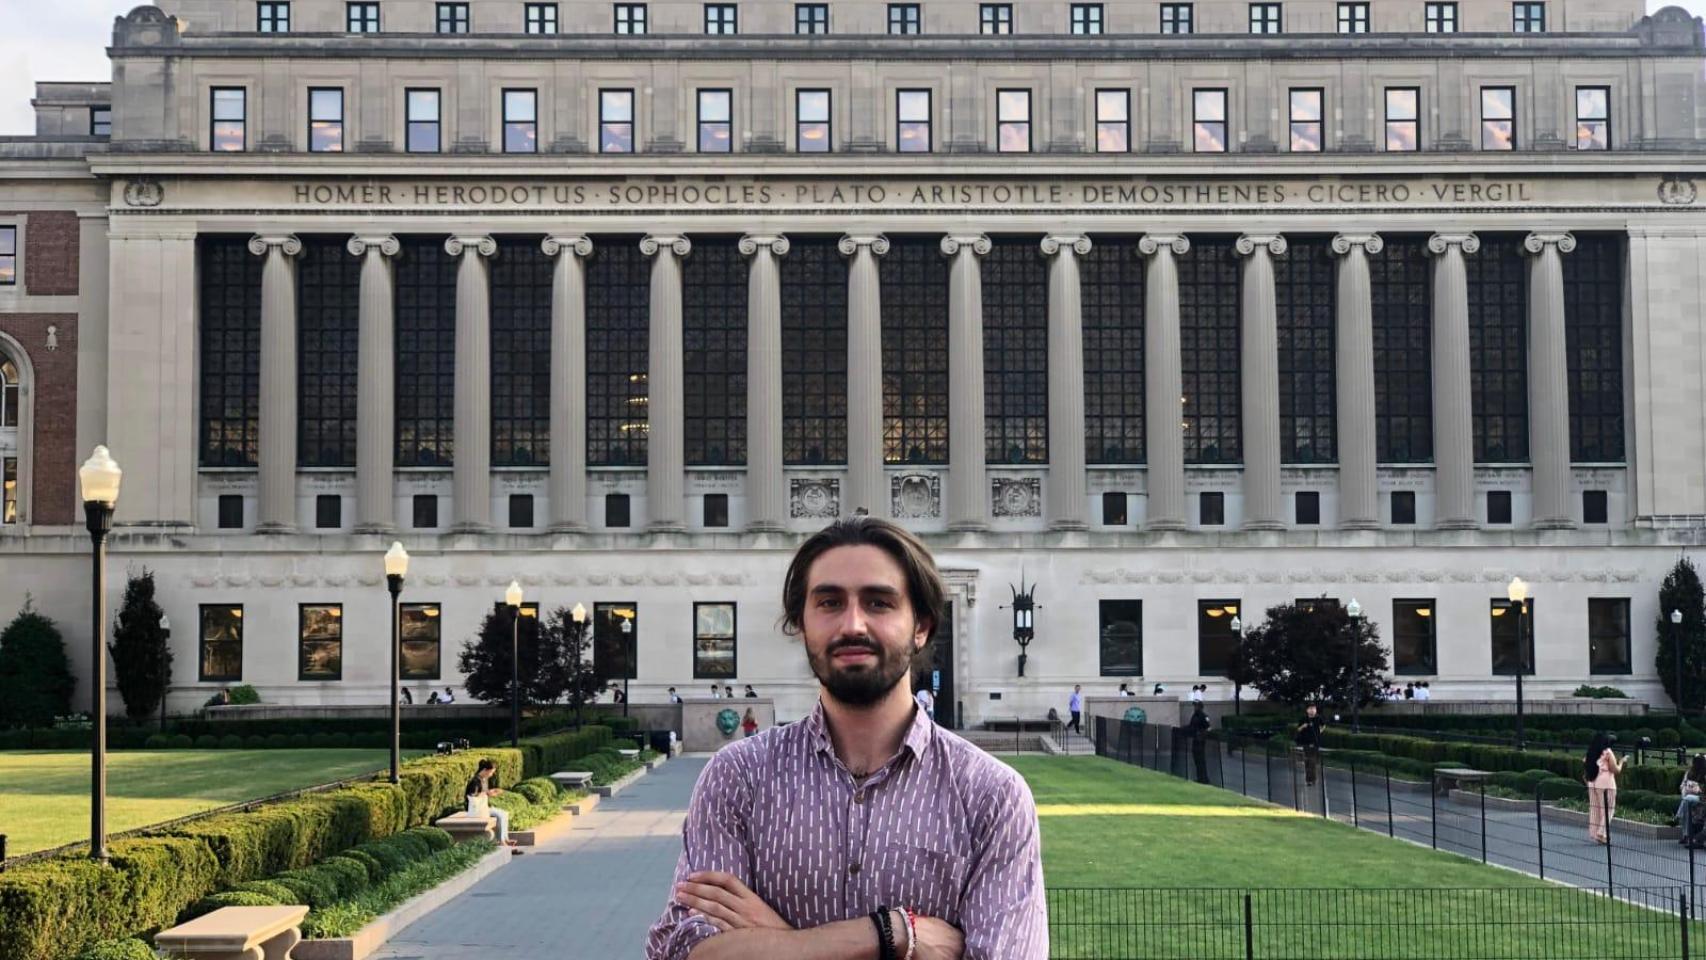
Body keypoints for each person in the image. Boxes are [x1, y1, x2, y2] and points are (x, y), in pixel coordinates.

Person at [646, 516, 1047, 958]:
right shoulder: (737, 778)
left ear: (922, 627)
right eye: (830, 602)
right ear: (801, 624)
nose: (853, 624)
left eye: (878, 603)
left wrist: (778, 941)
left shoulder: (991, 796)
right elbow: (688, 951)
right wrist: (891, 934)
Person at [466, 758, 520, 852]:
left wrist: (492, 792)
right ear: (485, 770)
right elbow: (472, 797)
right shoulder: (475, 781)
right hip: (476, 810)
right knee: (499, 816)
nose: (491, 775)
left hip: (483, 807)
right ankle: (501, 842)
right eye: (491, 772)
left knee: (504, 813)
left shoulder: (483, 780)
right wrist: (488, 793)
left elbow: (483, 793)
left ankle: (505, 839)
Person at [1585, 732, 1626, 844]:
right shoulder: (1607, 752)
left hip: (1592, 782)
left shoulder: (1591, 753)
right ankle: (1602, 833)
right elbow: (1615, 769)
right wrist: (1621, 762)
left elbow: (1585, 764)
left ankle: (1596, 832)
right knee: (1608, 809)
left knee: (1595, 808)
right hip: (1606, 783)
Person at [1678, 755, 1706, 845]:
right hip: (1690, 798)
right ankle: (1686, 835)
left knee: (1686, 801)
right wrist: (1685, 790)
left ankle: (1685, 834)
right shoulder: (1689, 773)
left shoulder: (1704, 774)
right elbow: (1682, 785)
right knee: (1686, 802)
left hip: (1700, 798)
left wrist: (1699, 790)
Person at [1296, 704, 1324, 787]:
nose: (1312, 710)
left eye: (1314, 709)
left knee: (1312, 761)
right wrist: (1303, 726)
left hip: (1315, 742)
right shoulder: (1304, 719)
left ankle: (1312, 779)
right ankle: (1309, 779)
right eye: (1310, 708)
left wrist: (1320, 731)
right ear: (1307, 710)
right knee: (1307, 761)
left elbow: (1323, 725)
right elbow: (1298, 729)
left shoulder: (1318, 718)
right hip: (1306, 742)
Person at [1186, 701, 1212, 784]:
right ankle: (1199, 777)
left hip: (1200, 741)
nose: (1195, 708)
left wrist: (1202, 734)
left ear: (1200, 707)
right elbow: (1191, 726)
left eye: (1196, 706)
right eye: (1194, 706)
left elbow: (1209, 728)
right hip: (1195, 740)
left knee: (1201, 760)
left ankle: (1204, 778)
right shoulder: (1194, 716)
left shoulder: (1204, 716)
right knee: (1196, 760)